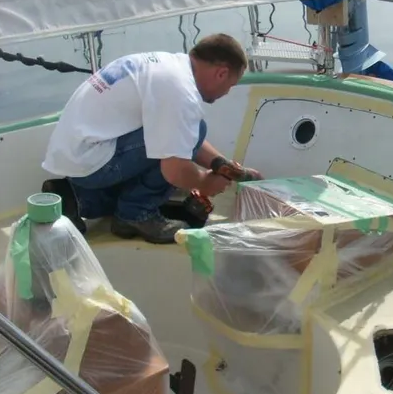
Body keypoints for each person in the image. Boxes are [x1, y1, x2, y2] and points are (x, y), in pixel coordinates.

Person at [40, 33, 262, 244]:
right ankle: (136, 214)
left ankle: (76, 197)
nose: (227, 92)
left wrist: (222, 165)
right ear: (221, 73)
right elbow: (174, 169)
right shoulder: (180, 91)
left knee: (190, 132)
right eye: (230, 85)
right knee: (189, 136)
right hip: (91, 161)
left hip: (77, 155)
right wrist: (205, 182)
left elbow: (182, 134)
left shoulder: (169, 67)